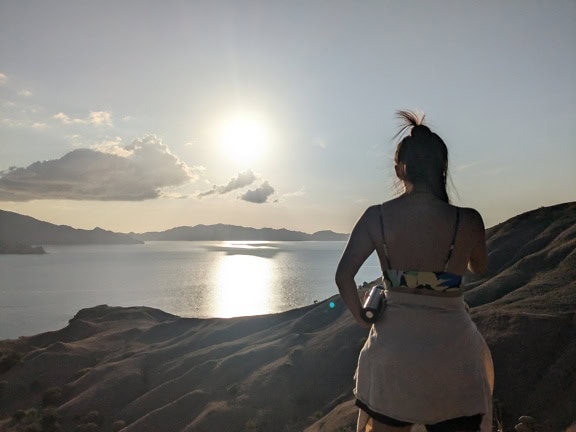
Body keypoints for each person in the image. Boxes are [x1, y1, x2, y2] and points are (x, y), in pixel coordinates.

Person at [335, 110, 494, 432]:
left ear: (399, 170)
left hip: (393, 352)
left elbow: (343, 276)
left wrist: (362, 317)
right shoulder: (469, 219)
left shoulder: (375, 217)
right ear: (442, 168)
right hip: (454, 352)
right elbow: (479, 267)